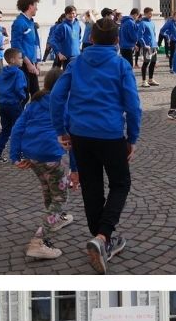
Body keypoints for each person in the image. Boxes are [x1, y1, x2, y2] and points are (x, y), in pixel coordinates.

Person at [51, 17, 142, 274]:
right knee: (121, 183)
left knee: (91, 186)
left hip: (80, 133)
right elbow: (133, 106)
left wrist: (61, 130)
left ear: (90, 38)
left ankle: (99, 238)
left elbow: (57, 97)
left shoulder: (76, 62)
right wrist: (132, 138)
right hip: (110, 133)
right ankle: (102, 237)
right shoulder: (121, 64)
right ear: (116, 41)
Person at [10, 67, 74, 260]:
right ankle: (39, 240)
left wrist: (15, 156)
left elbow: (18, 127)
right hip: (52, 154)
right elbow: (71, 129)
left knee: (47, 187)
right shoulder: (65, 102)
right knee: (60, 197)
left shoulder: (34, 102)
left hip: (32, 154)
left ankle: (54, 220)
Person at [11, 0, 43, 95]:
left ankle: (35, 111)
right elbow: (16, 45)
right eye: (35, 6)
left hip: (31, 64)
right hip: (23, 65)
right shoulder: (19, 22)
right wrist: (28, 63)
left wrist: (37, 62)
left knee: (36, 94)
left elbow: (36, 43)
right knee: (23, 96)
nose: (37, 9)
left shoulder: (31, 22)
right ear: (30, 6)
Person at [135, 7, 159, 88]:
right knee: (146, 63)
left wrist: (156, 44)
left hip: (153, 46)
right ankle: (143, 81)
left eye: (151, 13)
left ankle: (151, 79)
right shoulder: (142, 23)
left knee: (153, 63)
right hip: (147, 47)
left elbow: (154, 34)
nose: (151, 15)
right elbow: (139, 36)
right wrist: (144, 45)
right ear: (145, 14)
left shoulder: (152, 23)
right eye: (149, 13)